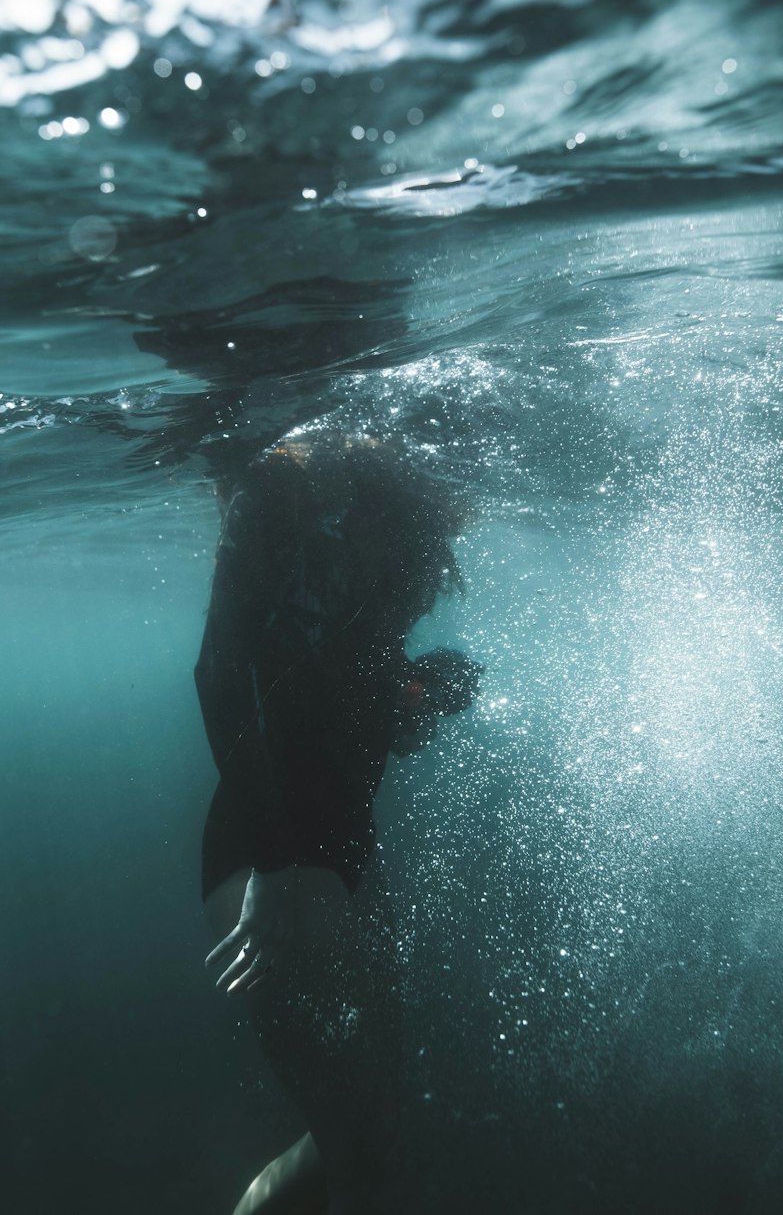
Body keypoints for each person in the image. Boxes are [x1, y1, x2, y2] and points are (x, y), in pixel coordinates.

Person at [196, 430, 481, 1215]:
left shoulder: (385, 531)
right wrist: (276, 870)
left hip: (337, 851)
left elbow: (335, 688)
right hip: (268, 858)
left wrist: (420, 688)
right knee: (355, 1140)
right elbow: (220, 675)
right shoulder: (282, 501)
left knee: (373, 1135)